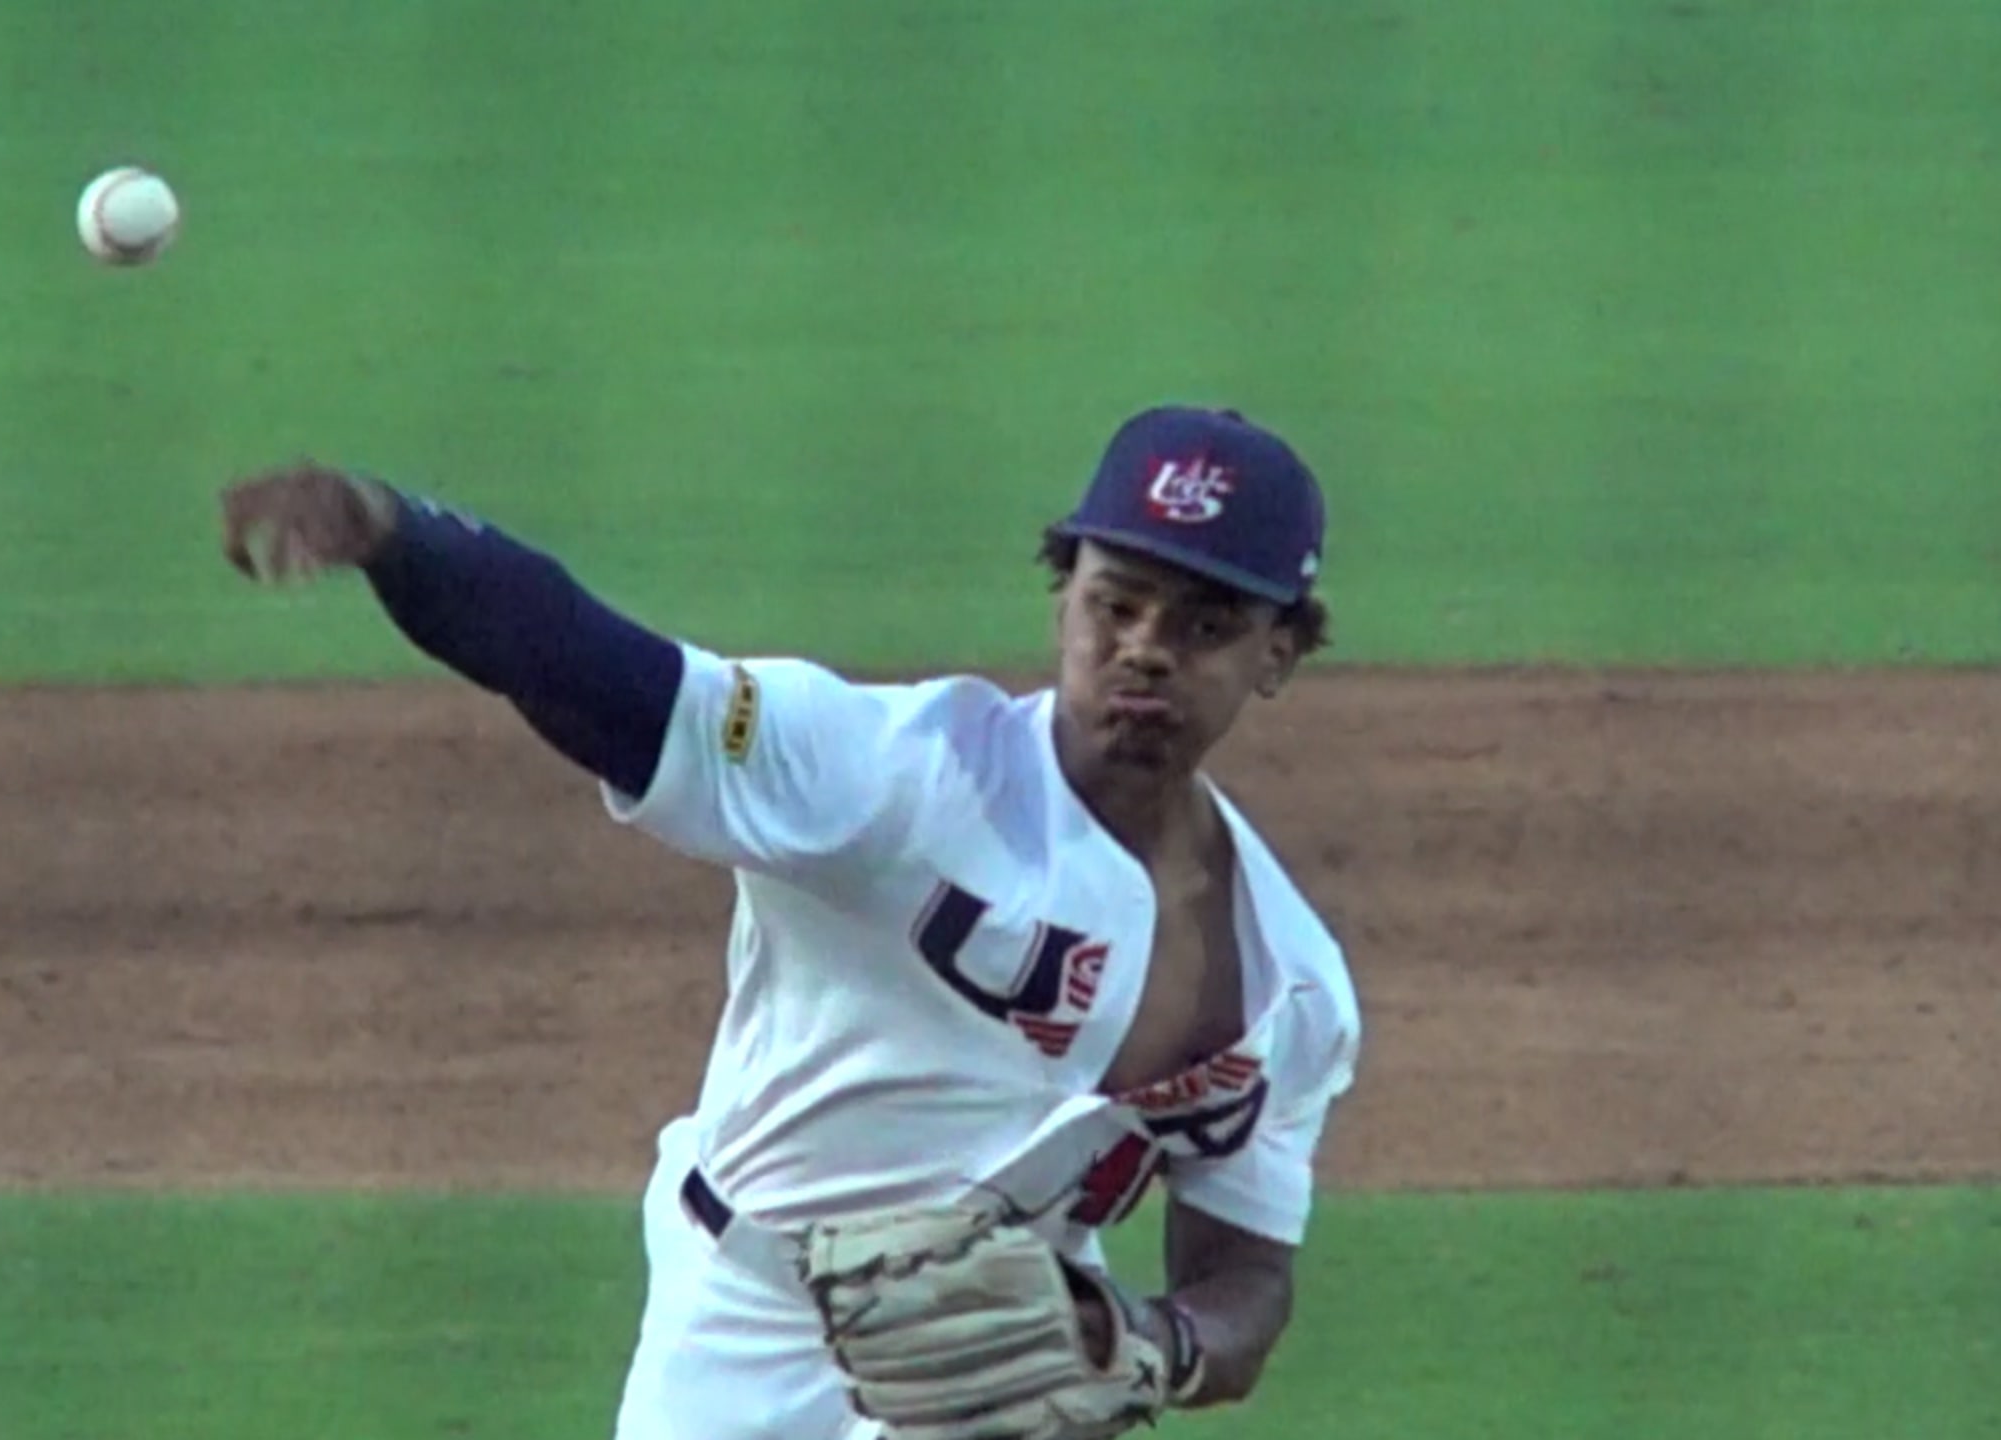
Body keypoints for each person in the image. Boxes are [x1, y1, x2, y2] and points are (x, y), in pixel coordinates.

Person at [218, 404, 1364, 1439]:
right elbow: (603, 673)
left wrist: (1155, 1345)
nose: (1146, 648)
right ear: (1063, 593)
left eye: (1204, 626)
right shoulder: (893, 771)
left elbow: (1245, 1280)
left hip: (996, 1375)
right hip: (738, 1321)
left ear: (1278, 651)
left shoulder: (1285, 986)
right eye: (1116, 603)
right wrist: (395, 535)